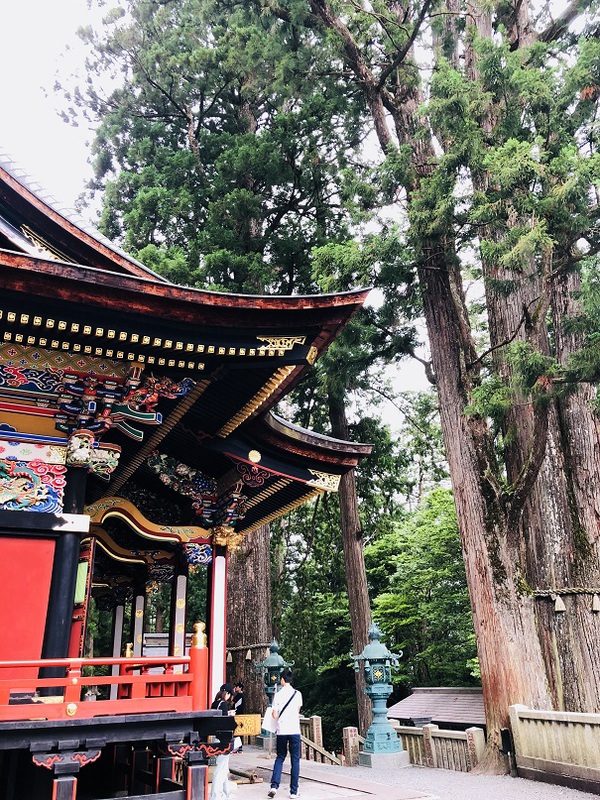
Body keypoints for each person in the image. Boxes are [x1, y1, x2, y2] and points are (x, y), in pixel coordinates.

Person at [267, 669, 303, 799]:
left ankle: (274, 786)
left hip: (282, 731)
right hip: (294, 730)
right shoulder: (298, 694)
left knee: (280, 757)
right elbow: (298, 709)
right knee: (295, 760)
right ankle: (294, 791)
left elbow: (275, 715)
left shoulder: (278, 695)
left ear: (282, 680)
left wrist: (272, 714)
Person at [210, 684, 235, 800]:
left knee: (224, 768)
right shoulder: (224, 705)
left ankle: (226, 793)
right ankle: (216, 795)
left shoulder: (214, 703)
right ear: (227, 694)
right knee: (221, 768)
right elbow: (225, 722)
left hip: (215, 736)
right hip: (223, 739)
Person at [232, 681, 245, 753]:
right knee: (240, 731)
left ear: (240, 688)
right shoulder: (242, 695)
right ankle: (239, 747)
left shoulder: (239, 695)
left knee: (237, 731)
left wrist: (232, 694)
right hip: (241, 714)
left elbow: (232, 702)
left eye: (236, 687)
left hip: (237, 714)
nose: (235, 688)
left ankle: (238, 747)